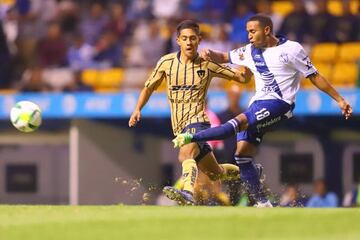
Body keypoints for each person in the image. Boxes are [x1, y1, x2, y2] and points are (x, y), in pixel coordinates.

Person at [172, 14, 353, 207]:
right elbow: (225, 57)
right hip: (257, 104)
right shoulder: (250, 51)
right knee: (241, 155)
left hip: (279, 104)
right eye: (248, 31)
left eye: (252, 31)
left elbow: (314, 76)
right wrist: (210, 54)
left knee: (235, 124)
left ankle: (192, 137)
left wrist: (340, 99)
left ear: (266, 30)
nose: (249, 35)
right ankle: (263, 203)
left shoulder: (292, 49)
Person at [128, 20, 251, 205]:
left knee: (184, 155)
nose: (189, 42)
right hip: (179, 125)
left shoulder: (206, 64)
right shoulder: (166, 62)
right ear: (178, 40)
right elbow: (148, 88)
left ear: (199, 40)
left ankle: (187, 192)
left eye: (193, 38)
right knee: (215, 173)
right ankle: (250, 172)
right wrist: (137, 109)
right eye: (184, 38)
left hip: (198, 122)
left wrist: (248, 67)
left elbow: (241, 78)